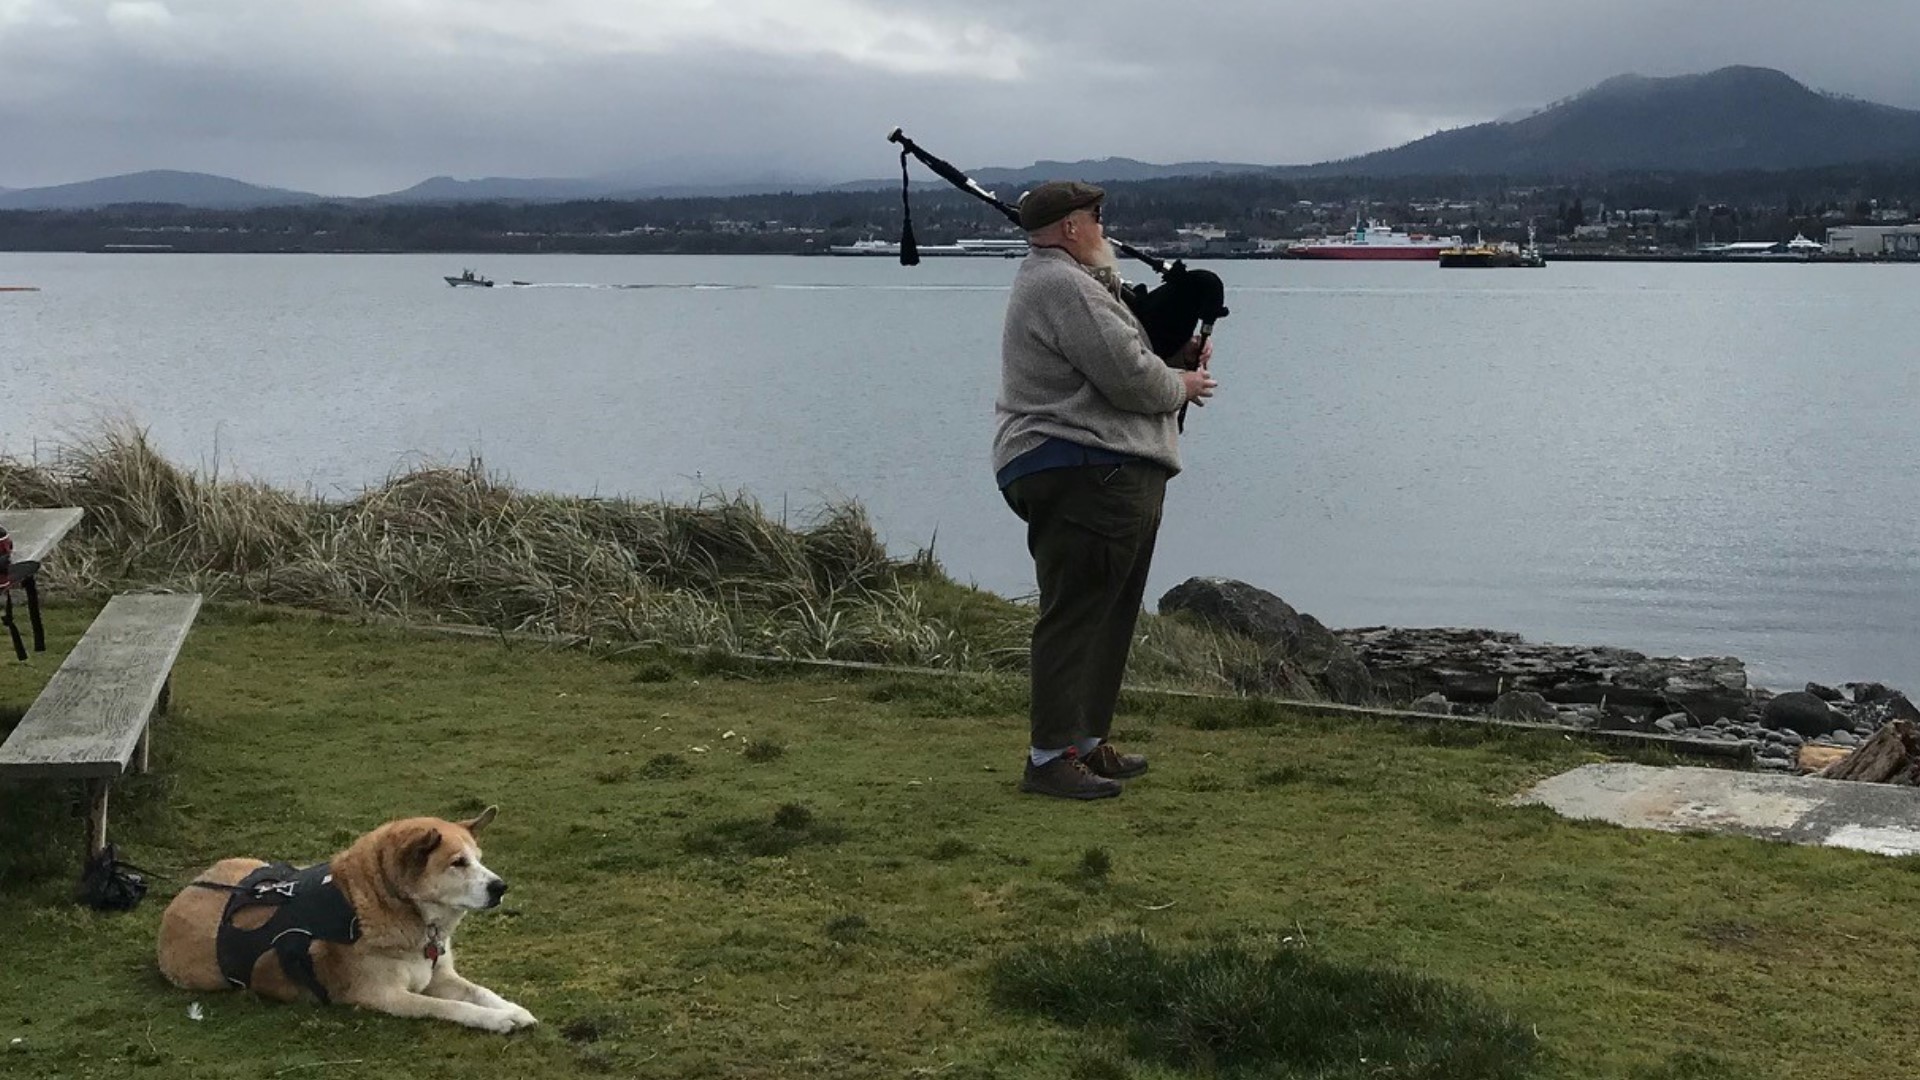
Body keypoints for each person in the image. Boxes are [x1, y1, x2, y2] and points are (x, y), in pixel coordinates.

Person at [993, 180, 1216, 800]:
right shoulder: (1062, 284)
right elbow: (1128, 376)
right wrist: (1182, 385)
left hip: (1098, 466)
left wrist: (1170, 355)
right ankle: (1049, 758)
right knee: (1078, 610)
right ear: (1070, 227)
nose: (1102, 226)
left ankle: (1083, 743)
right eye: (1095, 216)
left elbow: (1123, 356)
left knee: (1108, 609)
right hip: (1086, 467)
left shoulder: (1066, 283)